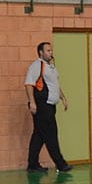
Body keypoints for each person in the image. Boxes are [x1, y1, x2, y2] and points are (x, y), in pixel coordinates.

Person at [24, 42, 72, 173]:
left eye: (51, 50)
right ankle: (61, 164)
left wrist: (63, 97)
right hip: (42, 105)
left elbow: (55, 85)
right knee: (51, 133)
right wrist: (32, 102)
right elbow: (28, 84)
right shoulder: (36, 66)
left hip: (50, 105)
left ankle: (32, 164)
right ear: (41, 52)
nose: (51, 52)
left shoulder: (51, 67)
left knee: (39, 135)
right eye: (48, 50)